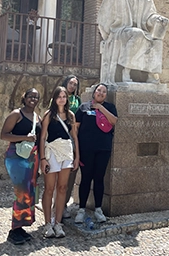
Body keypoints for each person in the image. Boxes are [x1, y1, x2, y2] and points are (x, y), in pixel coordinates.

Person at [97, 0, 169, 84]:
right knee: (137, 34)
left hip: (140, 31)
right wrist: (107, 37)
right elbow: (103, 17)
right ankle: (126, 71)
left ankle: (151, 74)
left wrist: (158, 19)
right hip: (120, 32)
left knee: (156, 39)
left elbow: (150, 16)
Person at [0, 88, 41, 245]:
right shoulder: (16, 114)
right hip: (16, 158)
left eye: (36, 97)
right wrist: (25, 137)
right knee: (21, 193)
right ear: (24, 98)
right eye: (31, 96)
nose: (33, 99)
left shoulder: (38, 117)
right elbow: (3, 135)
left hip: (32, 158)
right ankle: (13, 231)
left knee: (29, 192)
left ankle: (21, 227)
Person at [39, 86, 79, 238]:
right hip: (52, 152)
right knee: (49, 188)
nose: (62, 99)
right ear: (54, 98)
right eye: (59, 96)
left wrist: (77, 157)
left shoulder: (70, 116)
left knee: (62, 187)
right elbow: (43, 137)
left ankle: (58, 222)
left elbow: (74, 137)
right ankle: (48, 223)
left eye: (64, 96)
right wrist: (43, 159)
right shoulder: (49, 115)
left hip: (66, 153)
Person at [74, 83, 118, 224]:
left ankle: (98, 209)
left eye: (104, 91)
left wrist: (100, 108)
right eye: (99, 90)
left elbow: (114, 121)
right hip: (86, 149)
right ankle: (81, 209)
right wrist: (76, 149)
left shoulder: (110, 107)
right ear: (94, 92)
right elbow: (76, 128)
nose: (101, 93)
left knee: (99, 178)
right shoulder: (83, 107)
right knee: (86, 178)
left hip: (103, 149)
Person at [62, 75, 81, 217]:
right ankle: (56, 204)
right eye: (70, 83)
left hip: (73, 138)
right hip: (59, 138)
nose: (72, 86)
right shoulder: (59, 96)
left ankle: (64, 204)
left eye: (75, 84)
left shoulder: (77, 100)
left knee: (71, 174)